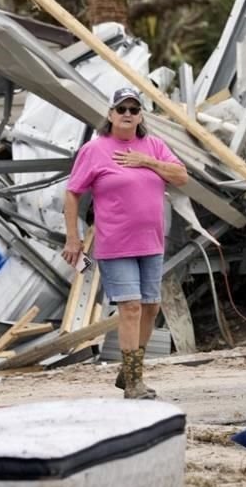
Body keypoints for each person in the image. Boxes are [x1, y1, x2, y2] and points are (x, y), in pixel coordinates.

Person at [62, 87, 188, 399]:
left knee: (150, 306)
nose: (128, 114)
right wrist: (73, 238)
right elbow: (73, 192)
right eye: (122, 109)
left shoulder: (154, 146)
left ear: (141, 115)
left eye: (134, 109)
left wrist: (146, 161)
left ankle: (129, 370)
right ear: (110, 114)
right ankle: (134, 382)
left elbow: (182, 176)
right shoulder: (94, 150)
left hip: (152, 242)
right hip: (116, 243)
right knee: (130, 307)